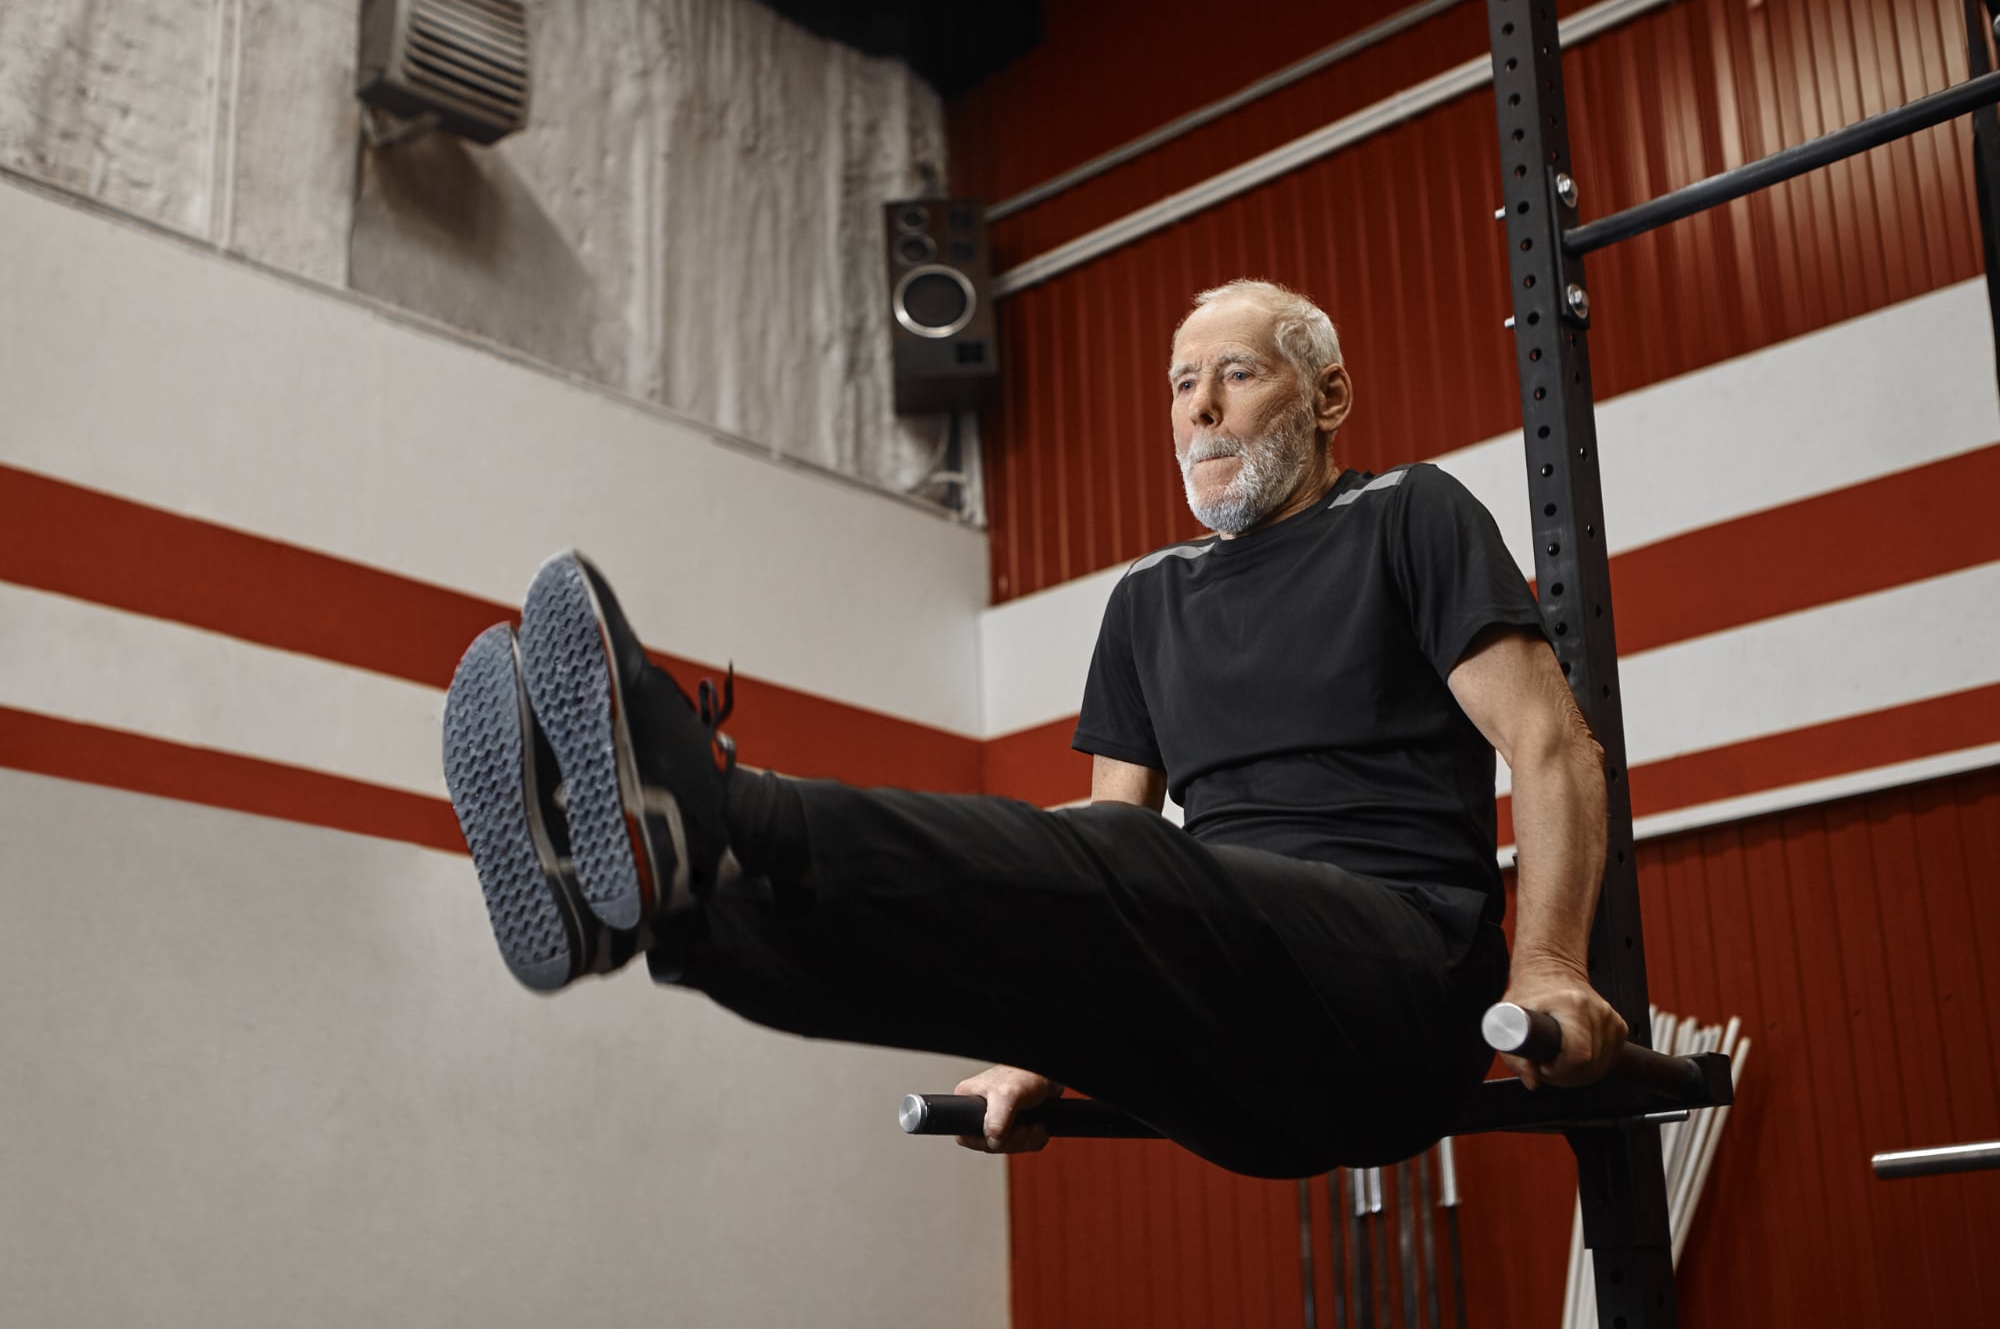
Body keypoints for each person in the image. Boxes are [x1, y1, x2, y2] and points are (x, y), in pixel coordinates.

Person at [441, 279, 1627, 1180]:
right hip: (1237, 1066)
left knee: (1125, 862)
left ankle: (715, 806)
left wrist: (1548, 968)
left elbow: (1550, 744)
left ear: (1326, 400)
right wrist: (1038, 1040)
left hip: (1392, 995)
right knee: (973, 955)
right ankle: (670, 915)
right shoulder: (1148, 598)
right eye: (1180, 383)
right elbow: (1099, 871)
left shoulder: (1407, 514)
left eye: (1236, 374)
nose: (1200, 408)